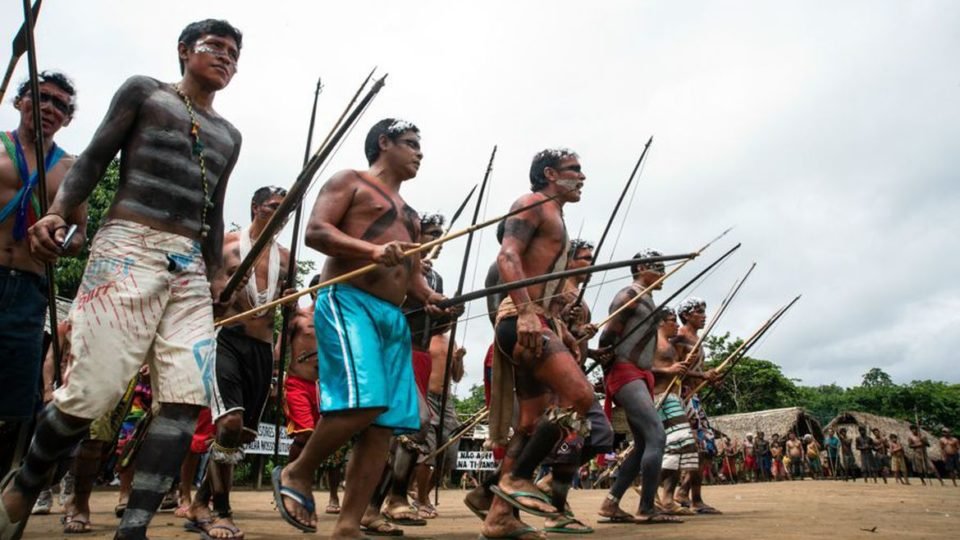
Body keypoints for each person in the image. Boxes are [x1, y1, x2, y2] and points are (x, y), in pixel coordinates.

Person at [2, 19, 243, 540]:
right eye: (215, 47)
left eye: (234, 53)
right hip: (127, 246)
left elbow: (215, 209)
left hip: (191, 270)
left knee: (186, 398)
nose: (226, 58)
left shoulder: (229, 134)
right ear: (184, 51)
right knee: (91, 394)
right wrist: (59, 214)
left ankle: (133, 529)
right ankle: (26, 478)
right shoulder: (145, 93)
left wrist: (218, 279)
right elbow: (92, 160)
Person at [272, 118, 450, 538]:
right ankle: (297, 471)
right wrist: (372, 249)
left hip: (393, 317)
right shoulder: (349, 180)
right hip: (348, 301)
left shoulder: (411, 214)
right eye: (410, 144)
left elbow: (409, 269)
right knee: (366, 402)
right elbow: (317, 232)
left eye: (419, 146)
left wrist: (428, 296)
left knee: (383, 426)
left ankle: (348, 525)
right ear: (383, 143)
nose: (418, 153)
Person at [481, 147, 594, 540]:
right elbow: (508, 256)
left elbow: (540, 282)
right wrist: (528, 311)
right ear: (549, 173)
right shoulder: (532, 203)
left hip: (536, 320)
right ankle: (519, 480)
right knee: (581, 398)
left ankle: (498, 518)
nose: (582, 177)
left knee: (530, 425)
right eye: (573, 170)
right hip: (520, 321)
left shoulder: (556, 216)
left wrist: (556, 323)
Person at [185, 186, 290, 539]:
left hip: (261, 348)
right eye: (273, 207)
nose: (279, 213)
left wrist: (287, 300)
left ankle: (201, 502)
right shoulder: (227, 244)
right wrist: (224, 289)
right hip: (226, 339)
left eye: (284, 209)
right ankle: (222, 512)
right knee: (229, 423)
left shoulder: (286, 258)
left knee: (240, 434)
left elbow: (279, 308)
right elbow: (201, 293)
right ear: (255, 207)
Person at [0, 71, 83, 462]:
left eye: (61, 106)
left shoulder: (69, 169)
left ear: (68, 118)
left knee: (14, 397)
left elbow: (80, 232)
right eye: (41, 97)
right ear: (20, 101)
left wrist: (61, 243)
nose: (49, 108)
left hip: (30, 288)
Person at [597, 251, 678, 524]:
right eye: (658, 266)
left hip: (640, 374)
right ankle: (647, 508)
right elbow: (608, 335)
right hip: (625, 372)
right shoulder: (627, 295)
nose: (664, 271)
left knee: (644, 444)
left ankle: (611, 503)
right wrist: (606, 363)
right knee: (657, 435)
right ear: (642, 267)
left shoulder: (647, 298)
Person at [672, 297, 720, 513]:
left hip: (693, 397)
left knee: (706, 448)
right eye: (698, 311)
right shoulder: (680, 338)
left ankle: (685, 492)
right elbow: (675, 368)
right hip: (681, 397)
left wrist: (710, 378)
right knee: (695, 447)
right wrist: (702, 375)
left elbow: (696, 371)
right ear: (686, 315)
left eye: (704, 311)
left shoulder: (695, 339)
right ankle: (692, 498)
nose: (703, 316)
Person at [651, 307, 698, 514]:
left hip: (674, 397)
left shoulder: (668, 345)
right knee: (677, 445)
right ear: (661, 322)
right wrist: (668, 370)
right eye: (672, 320)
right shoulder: (652, 342)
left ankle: (668, 499)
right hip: (661, 397)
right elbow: (641, 367)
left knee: (685, 447)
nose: (677, 325)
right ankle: (650, 490)